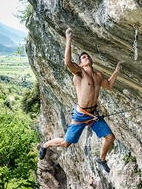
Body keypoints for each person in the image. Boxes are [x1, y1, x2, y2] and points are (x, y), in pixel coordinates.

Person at [39, 27, 122, 173]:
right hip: (81, 114)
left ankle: (101, 159)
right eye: (83, 57)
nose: (86, 57)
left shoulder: (98, 75)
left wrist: (116, 72)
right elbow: (68, 63)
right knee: (66, 143)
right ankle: (46, 145)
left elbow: (108, 85)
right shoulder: (80, 74)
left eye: (87, 56)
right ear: (81, 64)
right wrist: (69, 39)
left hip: (93, 114)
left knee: (110, 138)